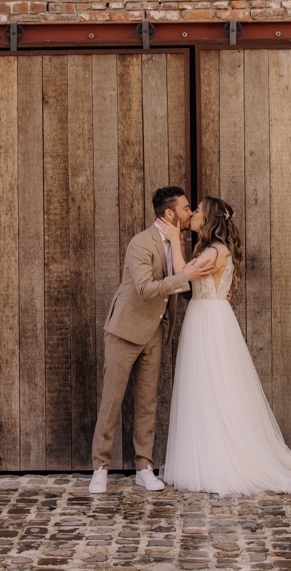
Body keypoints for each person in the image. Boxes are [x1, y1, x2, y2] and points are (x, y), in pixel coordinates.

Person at [161, 196, 291, 495]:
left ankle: (219, 461)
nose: (195, 215)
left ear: (210, 218)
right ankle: (205, 454)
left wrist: (175, 240)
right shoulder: (210, 249)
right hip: (205, 316)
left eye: (198, 211)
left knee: (214, 387)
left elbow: (182, 280)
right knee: (203, 388)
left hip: (210, 323)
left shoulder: (214, 251)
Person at [88, 185, 212, 493]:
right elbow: (145, 288)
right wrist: (186, 278)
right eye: (186, 208)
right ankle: (99, 468)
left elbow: (181, 286)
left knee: (147, 402)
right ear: (169, 213)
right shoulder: (140, 243)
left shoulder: (179, 242)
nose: (190, 213)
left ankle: (144, 467)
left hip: (156, 331)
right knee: (112, 400)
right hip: (125, 330)